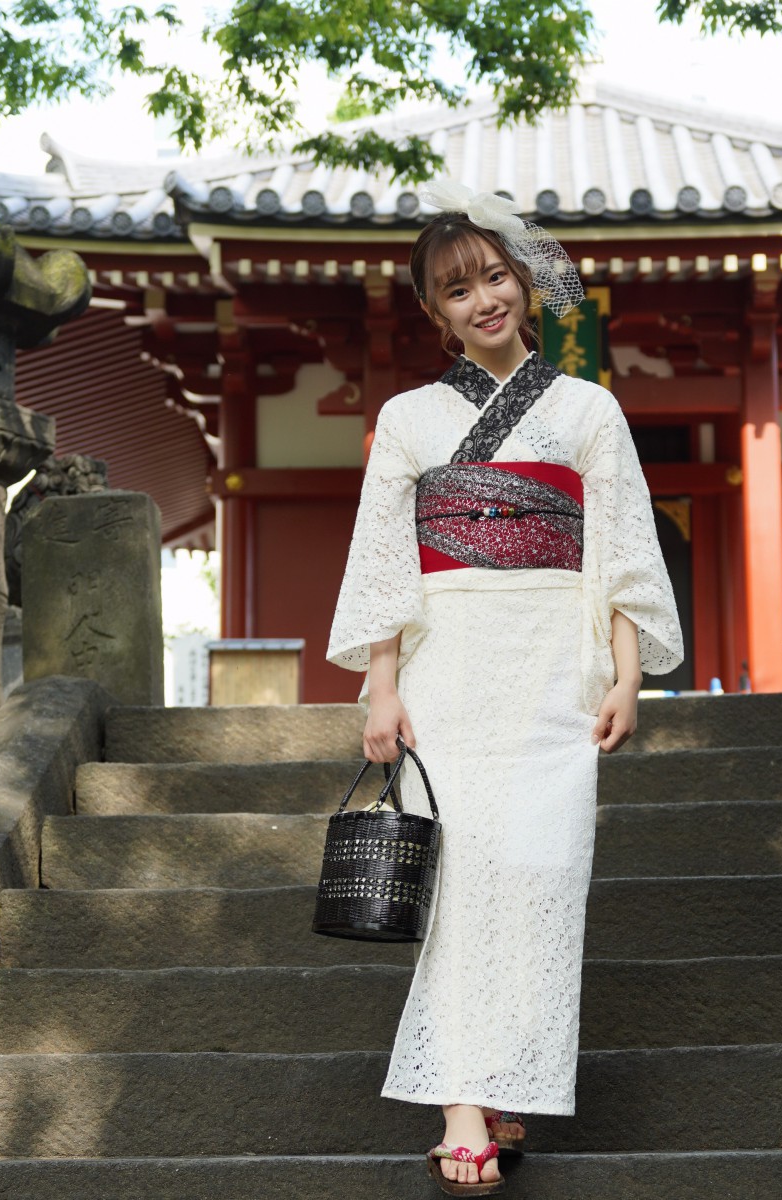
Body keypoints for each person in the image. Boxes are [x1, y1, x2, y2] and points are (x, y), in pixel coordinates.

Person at [326, 180, 682, 1196]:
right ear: (432, 314)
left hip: (553, 666)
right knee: (457, 883)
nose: (482, 299)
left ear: (525, 286)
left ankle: (510, 1071)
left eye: (494, 277)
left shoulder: (586, 409)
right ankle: (462, 1106)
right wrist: (380, 687)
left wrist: (626, 676)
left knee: (538, 877)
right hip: (449, 665)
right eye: (456, 289)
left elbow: (618, 547)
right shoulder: (406, 419)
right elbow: (386, 558)